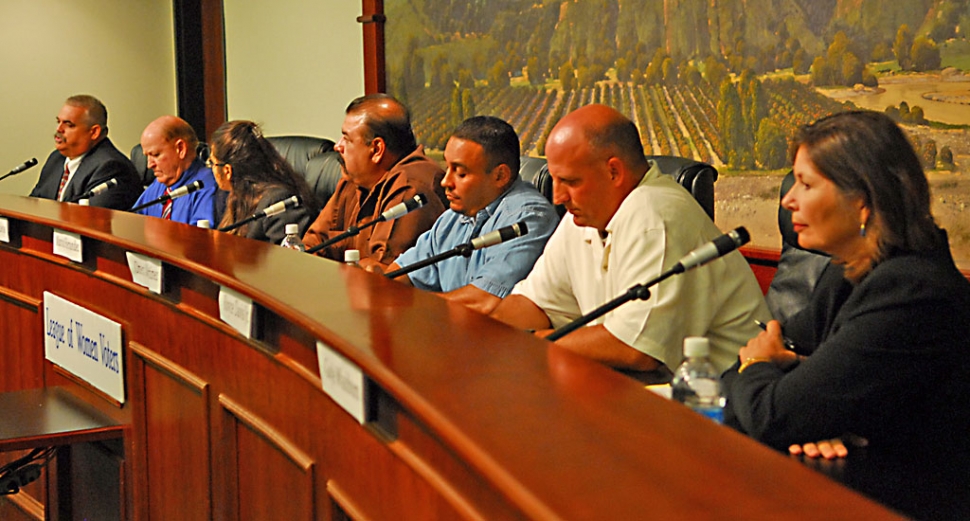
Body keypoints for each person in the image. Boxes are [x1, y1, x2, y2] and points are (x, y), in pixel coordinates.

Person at [721, 110, 970, 519]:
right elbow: (757, 378)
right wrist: (811, 407)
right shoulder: (849, 272)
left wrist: (768, 372)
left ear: (862, 201)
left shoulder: (913, 293)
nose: (788, 200)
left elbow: (773, 413)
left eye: (805, 183)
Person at [491, 104, 768, 374]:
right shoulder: (584, 216)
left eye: (571, 182)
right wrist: (487, 339)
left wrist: (533, 342)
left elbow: (636, 349)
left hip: (719, 400)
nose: (558, 198)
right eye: (555, 181)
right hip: (638, 390)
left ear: (614, 172)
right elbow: (534, 303)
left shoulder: (656, 216)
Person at [385, 116, 559, 314]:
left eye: (460, 173)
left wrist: (406, 303)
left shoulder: (528, 218)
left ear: (500, 176)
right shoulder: (453, 217)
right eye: (447, 168)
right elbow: (401, 274)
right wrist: (380, 285)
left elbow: (483, 302)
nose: (445, 182)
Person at [302, 94, 446, 271]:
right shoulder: (353, 180)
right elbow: (311, 245)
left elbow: (380, 275)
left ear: (376, 149)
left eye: (347, 139)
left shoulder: (410, 188)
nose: (337, 146)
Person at [209, 120, 318, 244]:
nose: (211, 168)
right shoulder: (237, 196)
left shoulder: (278, 201)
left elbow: (286, 257)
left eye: (212, 163)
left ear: (227, 171)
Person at [29, 95, 142, 209]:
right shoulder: (56, 159)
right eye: (58, 122)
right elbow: (34, 204)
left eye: (69, 124)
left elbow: (89, 219)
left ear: (94, 132)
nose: (59, 129)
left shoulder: (111, 167)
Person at [132, 116, 218, 225]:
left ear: (180, 149)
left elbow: (199, 239)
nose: (149, 165)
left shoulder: (207, 187)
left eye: (155, 155)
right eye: (147, 156)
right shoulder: (158, 185)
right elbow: (133, 222)